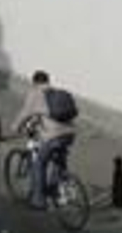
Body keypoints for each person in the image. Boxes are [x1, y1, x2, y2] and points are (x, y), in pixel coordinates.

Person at [11, 70, 75, 210]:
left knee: (39, 163)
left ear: (34, 82)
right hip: (69, 135)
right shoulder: (56, 93)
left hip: (53, 136)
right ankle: (56, 187)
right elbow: (45, 114)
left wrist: (15, 128)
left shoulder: (35, 94)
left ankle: (38, 201)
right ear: (47, 81)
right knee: (58, 160)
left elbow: (25, 113)